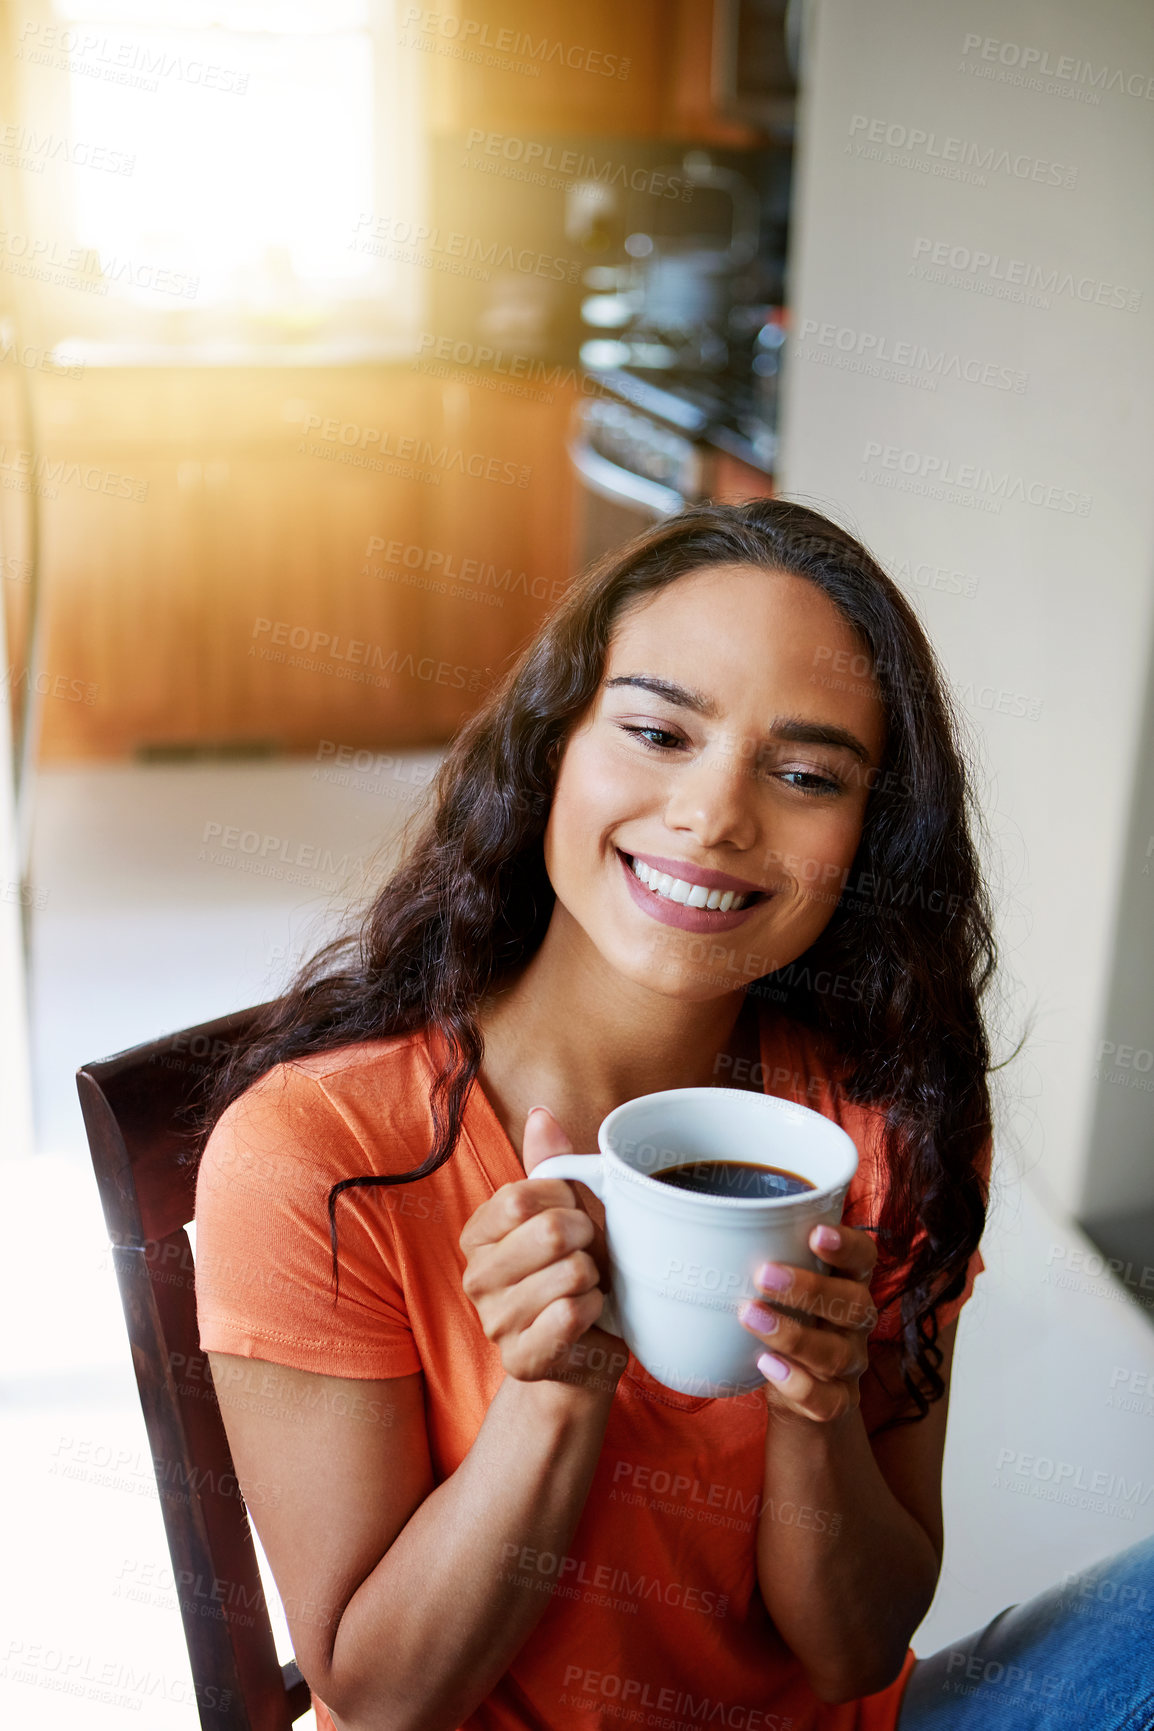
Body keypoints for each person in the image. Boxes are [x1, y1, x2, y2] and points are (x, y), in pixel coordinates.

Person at [193, 499, 1154, 1730]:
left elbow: (857, 1652)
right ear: (552, 747)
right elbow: (382, 1701)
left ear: (865, 838)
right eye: (656, 732)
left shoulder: (883, 1123)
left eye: (804, 775)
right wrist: (551, 1394)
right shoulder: (317, 1154)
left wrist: (815, 1407)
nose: (713, 816)